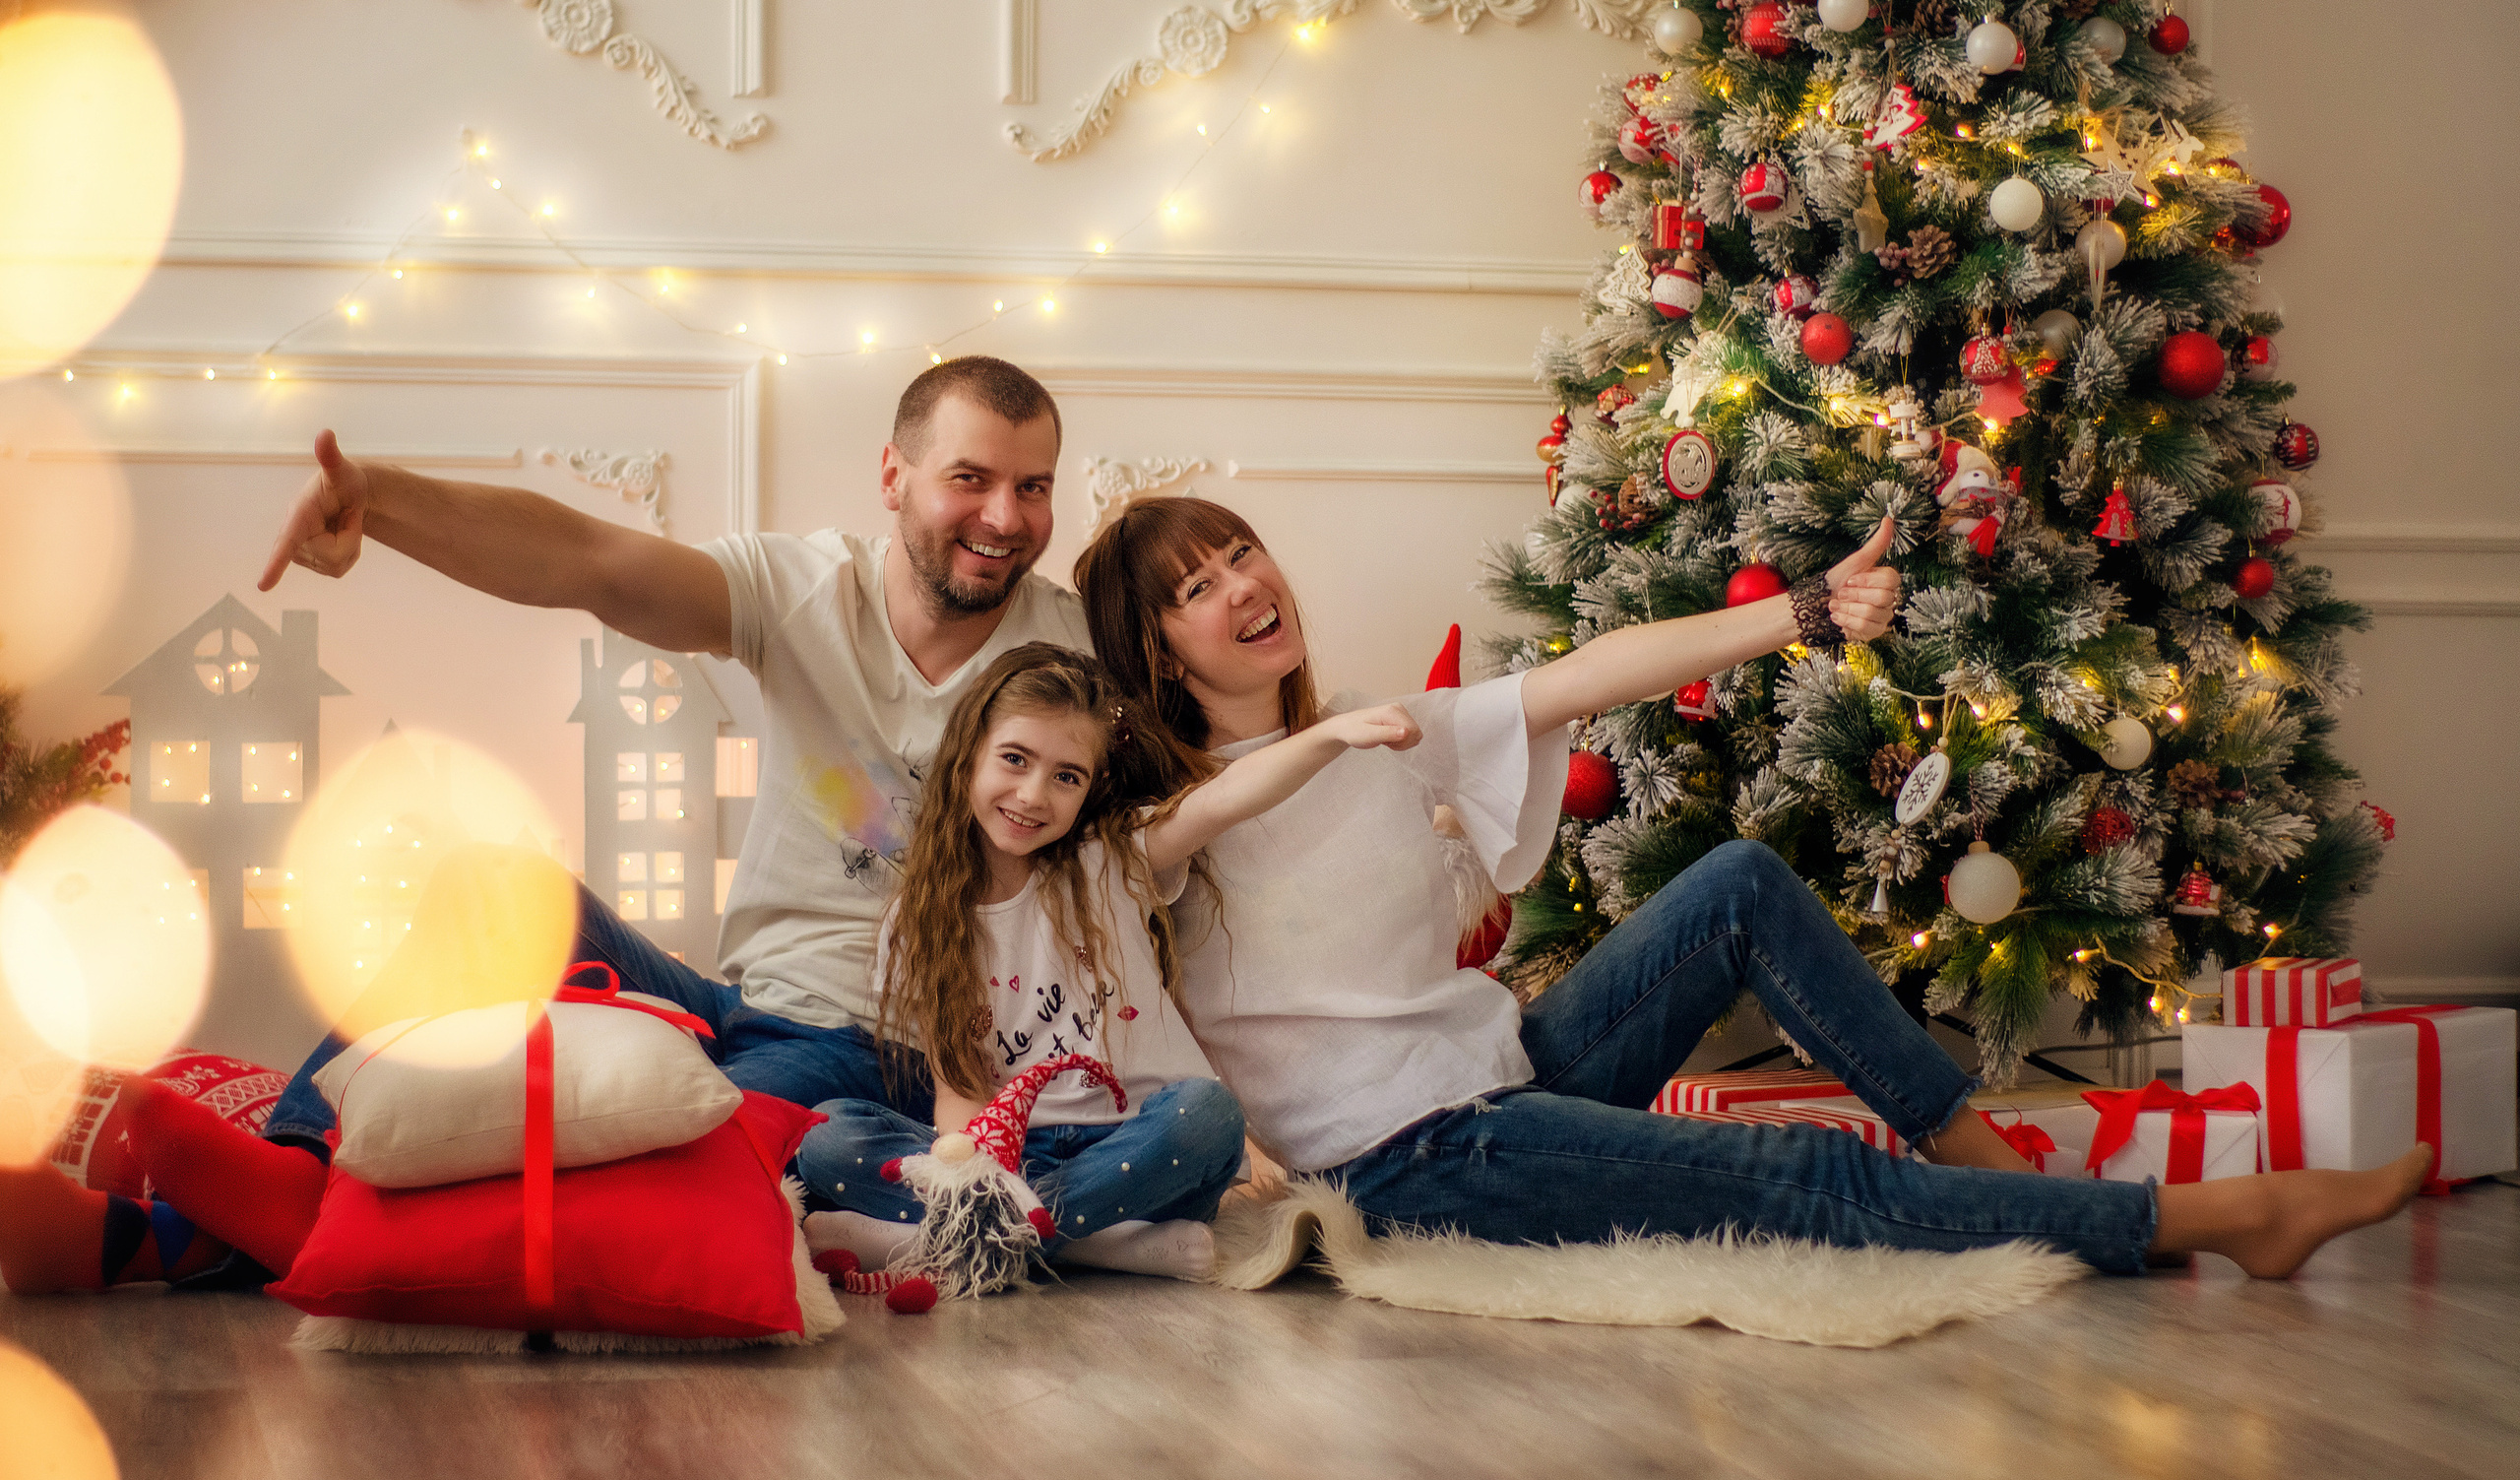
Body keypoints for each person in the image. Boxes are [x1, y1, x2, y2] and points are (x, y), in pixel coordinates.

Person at [1072, 498, 2434, 1279]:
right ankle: (2217, 1217)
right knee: (1794, 1172)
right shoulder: (1154, 820)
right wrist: (1306, 742)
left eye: (1240, 550)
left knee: (1734, 881)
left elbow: (1598, 667)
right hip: (1411, 1157)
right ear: (1156, 644)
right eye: (1199, 584)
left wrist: (1804, 608)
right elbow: (1176, 836)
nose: (1245, 582)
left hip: (1506, 1073)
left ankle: (1974, 1149)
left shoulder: (1383, 730)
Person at [252, 356, 1094, 1150]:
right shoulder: (805, 590)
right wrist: (381, 499)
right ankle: (291, 1158)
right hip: (738, 1000)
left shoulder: (1078, 654)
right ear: (893, 476)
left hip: (885, 1049)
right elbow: (594, 563)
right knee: (494, 888)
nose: (1005, 518)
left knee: (683, 1146)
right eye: (970, 479)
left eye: (1034, 487)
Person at [797, 642, 1421, 1286]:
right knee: (827, 1134)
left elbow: (1222, 799)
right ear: (967, 756)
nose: (1033, 793)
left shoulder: (1109, 860)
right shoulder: (917, 922)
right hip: (1017, 1155)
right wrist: (969, 1168)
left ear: (1090, 787)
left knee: (1208, 1117)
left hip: (1143, 1150)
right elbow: (961, 1089)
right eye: (1015, 759)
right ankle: (1094, 1245)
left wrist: (1332, 736)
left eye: (1066, 776)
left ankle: (948, 1236)